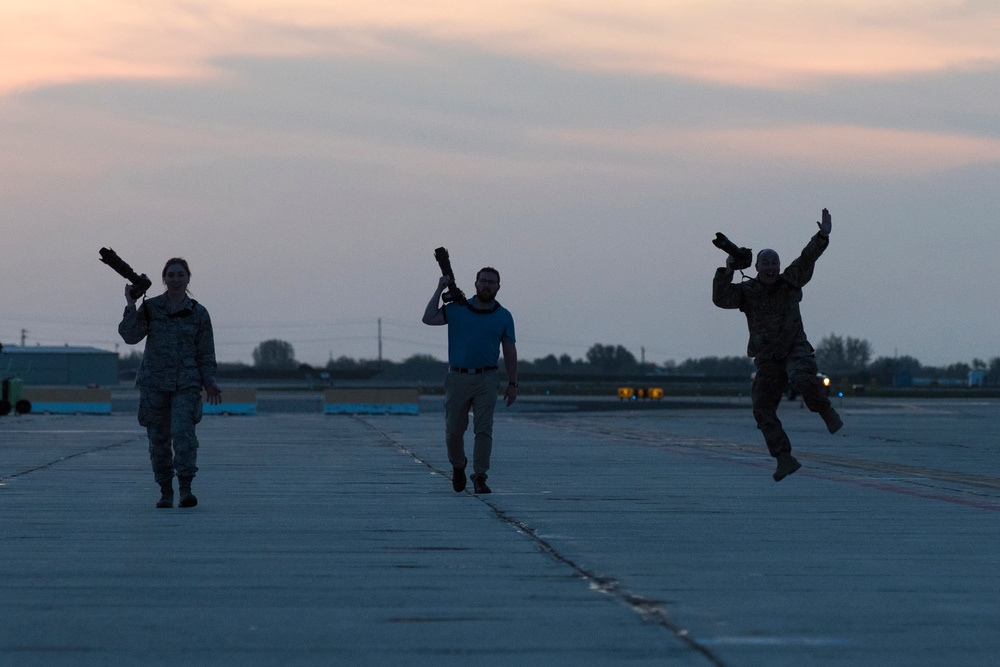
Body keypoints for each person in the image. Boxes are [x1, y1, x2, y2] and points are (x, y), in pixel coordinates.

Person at [712, 209, 843, 482]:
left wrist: (823, 235)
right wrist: (728, 267)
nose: (771, 268)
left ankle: (826, 410)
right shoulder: (747, 292)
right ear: (757, 268)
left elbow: (807, 259)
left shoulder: (790, 281)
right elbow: (721, 298)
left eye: (775, 263)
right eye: (765, 264)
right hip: (768, 358)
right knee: (761, 408)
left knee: (803, 380)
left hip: (795, 348)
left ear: (779, 266)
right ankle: (784, 458)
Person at [118, 258, 222, 508]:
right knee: (158, 438)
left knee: (183, 435)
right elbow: (130, 336)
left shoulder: (198, 313)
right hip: (154, 383)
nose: (176, 279)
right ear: (164, 279)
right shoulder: (152, 308)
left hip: (186, 384)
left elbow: (205, 353)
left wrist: (209, 381)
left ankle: (185, 488)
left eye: (180, 275)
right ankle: (165, 490)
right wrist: (130, 304)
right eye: (171, 275)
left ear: (188, 279)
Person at [422, 267, 517, 494]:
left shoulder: (503, 316)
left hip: (487, 377)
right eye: (483, 281)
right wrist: (439, 288)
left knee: (483, 429)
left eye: (491, 282)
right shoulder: (457, 309)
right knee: (453, 431)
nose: (487, 285)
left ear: (498, 287)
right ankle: (458, 465)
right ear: (475, 284)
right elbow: (428, 318)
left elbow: (510, 351)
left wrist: (513, 383)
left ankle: (480, 476)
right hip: (457, 377)